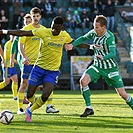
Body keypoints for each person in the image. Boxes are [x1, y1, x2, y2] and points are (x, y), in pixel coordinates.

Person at [0, 15, 73, 122]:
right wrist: (4, 31)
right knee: (29, 95)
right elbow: (23, 33)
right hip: (39, 68)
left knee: (45, 94)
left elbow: (75, 42)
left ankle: (30, 110)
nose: (53, 30)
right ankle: (31, 103)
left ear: (61, 28)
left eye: (56, 28)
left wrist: (75, 45)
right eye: (52, 27)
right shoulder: (43, 32)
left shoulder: (65, 35)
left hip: (53, 71)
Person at [65, 15, 133, 117]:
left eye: (97, 27)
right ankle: (89, 108)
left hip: (110, 68)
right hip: (97, 66)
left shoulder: (109, 37)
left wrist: (104, 57)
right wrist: (72, 45)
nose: (94, 29)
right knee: (83, 81)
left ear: (104, 27)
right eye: (94, 26)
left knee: (122, 94)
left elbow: (113, 53)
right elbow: (83, 38)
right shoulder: (94, 33)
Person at [10, 7, 59, 115]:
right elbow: (20, 44)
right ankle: (20, 108)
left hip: (41, 63)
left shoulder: (44, 30)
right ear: (31, 17)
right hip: (28, 62)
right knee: (24, 84)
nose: (35, 18)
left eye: (37, 16)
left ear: (40, 16)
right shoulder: (26, 29)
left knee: (48, 84)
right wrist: (24, 56)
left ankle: (49, 106)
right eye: (34, 16)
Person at [0, 35, 18, 100]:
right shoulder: (8, 44)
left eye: (14, 36)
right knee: (6, 82)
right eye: (12, 36)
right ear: (10, 37)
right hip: (7, 66)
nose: (13, 37)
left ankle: (15, 96)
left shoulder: (15, 44)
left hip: (12, 66)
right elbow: (7, 55)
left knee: (15, 80)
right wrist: (15, 61)